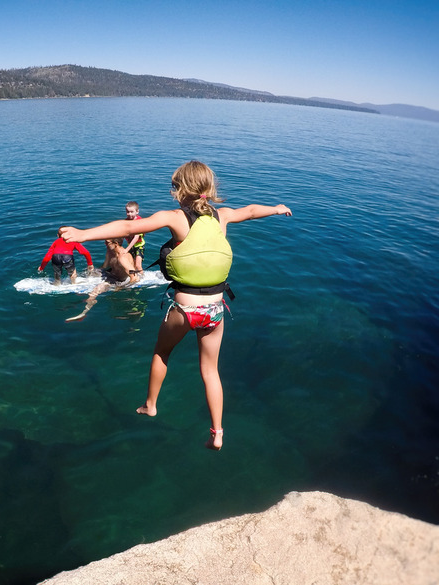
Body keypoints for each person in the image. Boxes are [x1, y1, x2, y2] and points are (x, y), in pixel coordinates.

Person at [61, 160, 291, 450]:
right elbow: (251, 211)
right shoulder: (222, 217)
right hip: (216, 310)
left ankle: (150, 404)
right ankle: (217, 431)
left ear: (180, 189)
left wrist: (82, 234)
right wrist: (277, 208)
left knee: (162, 352)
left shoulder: (175, 218)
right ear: (208, 188)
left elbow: (126, 226)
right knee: (210, 371)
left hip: (185, 310)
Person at [66, 239, 139, 322]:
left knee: (96, 290)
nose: (105, 244)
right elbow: (104, 266)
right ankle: (77, 287)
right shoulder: (110, 251)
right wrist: (92, 271)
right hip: (109, 273)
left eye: (107, 242)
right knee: (88, 272)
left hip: (117, 280)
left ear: (116, 243)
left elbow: (135, 278)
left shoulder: (122, 258)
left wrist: (121, 288)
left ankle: (83, 312)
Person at [123, 201, 145, 273]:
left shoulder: (138, 222)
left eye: (132, 212)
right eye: (127, 212)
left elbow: (136, 238)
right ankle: (135, 277)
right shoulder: (126, 221)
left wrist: (126, 250)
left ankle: (142, 277)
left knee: (138, 265)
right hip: (131, 246)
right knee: (132, 265)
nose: (129, 214)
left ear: (137, 211)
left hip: (139, 246)